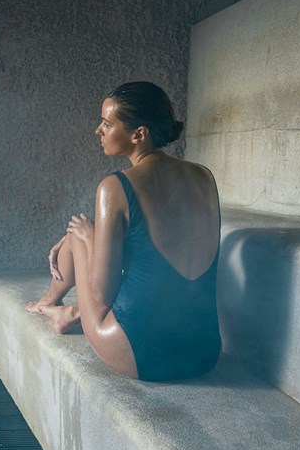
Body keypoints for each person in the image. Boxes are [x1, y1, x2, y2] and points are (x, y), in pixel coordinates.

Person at [26, 81, 221, 382]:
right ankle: (64, 310)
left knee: (78, 233)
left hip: (143, 355)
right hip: (203, 352)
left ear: (138, 134)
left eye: (106, 124)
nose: (98, 131)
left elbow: (102, 294)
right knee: (87, 234)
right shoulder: (203, 176)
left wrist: (90, 238)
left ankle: (50, 302)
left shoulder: (115, 187)